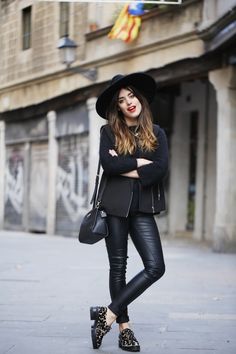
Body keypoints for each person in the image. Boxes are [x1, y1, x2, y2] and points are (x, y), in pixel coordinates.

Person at [90, 72, 168, 352]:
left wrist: (125, 164)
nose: (129, 103)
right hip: (114, 208)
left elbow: (160, 169)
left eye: (131, 96)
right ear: (118, 107)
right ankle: (125, 330)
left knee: (155, 267)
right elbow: (109, 168)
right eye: (122, 100)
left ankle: (107, 315)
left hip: (143, 209)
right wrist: (140, 161)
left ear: (140, 99)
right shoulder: (108, 132)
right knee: (118, 268)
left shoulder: (157, 133)